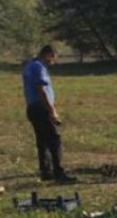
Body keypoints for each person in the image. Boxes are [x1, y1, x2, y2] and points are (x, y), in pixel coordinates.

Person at [22, 45, 76, 182]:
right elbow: (41, 89)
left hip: (32, 107)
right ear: (48, 54)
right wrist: (52, 111)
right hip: (41, 108)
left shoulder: (29, 65)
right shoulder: (39, 67)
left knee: (42, 141)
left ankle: (46, 171)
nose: (54, 61)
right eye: (53, 57)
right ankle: (59, 172)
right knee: (54, 139)